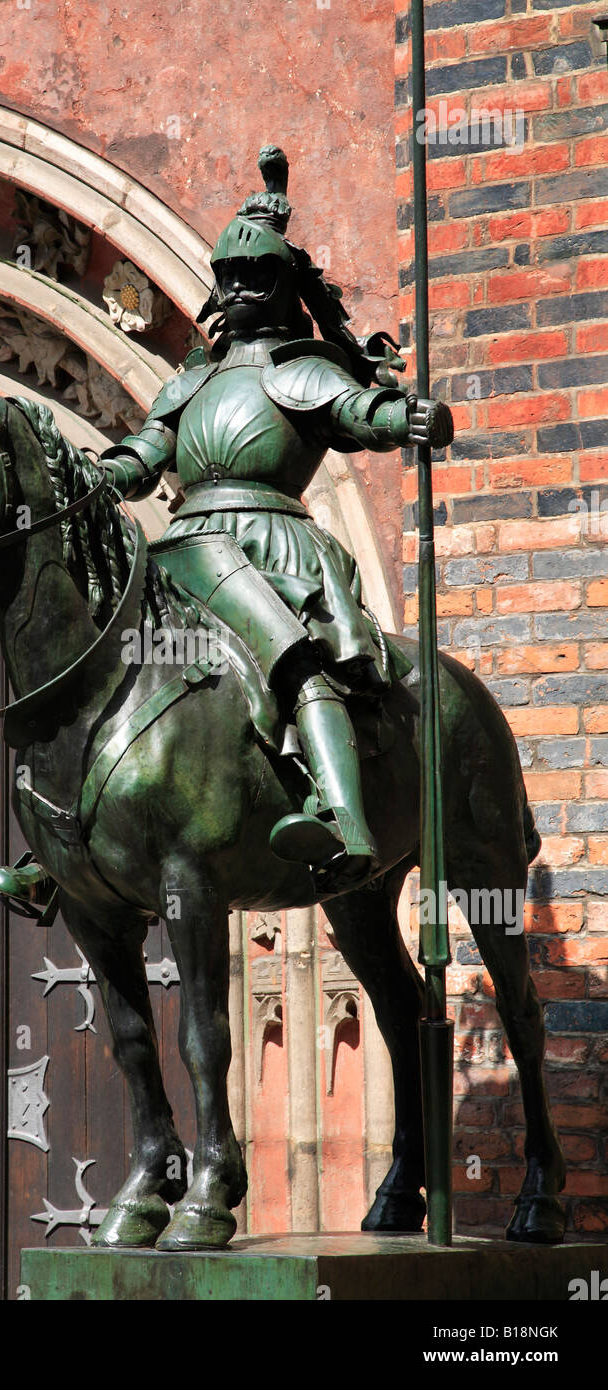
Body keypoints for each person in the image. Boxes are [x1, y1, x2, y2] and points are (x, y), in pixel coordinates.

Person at [100, 146, 453, 888]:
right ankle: (70, 839)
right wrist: (92, 474)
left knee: (294, 658)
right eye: (226, 277)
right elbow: (143, 454)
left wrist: (407, 417)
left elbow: (359, 411)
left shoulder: (303, 370)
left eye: (253, 276)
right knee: (103, 659)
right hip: (183, 548)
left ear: (284, 284)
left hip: (268, 545)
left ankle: (342, 817)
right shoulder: (190, 382)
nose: (235, 289)